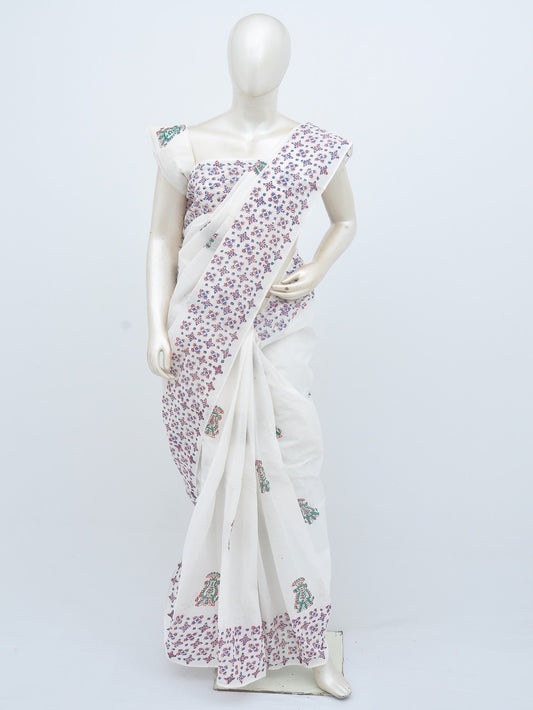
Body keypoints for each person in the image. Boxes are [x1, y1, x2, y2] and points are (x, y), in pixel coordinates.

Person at [145, 13, 356, 699]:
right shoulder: (184, 146)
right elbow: (161, 240)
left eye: (267, 53)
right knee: (225, 484)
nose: (255, 64)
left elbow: (346, 220)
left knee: (296, 482)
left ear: (285, 62)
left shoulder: (313, 148)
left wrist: (316, 268)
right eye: (244, 51)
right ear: (228, 59)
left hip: (279, 333)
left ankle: (312, 644)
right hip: (204, 335)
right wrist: (155, 326)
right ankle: (236, 636)